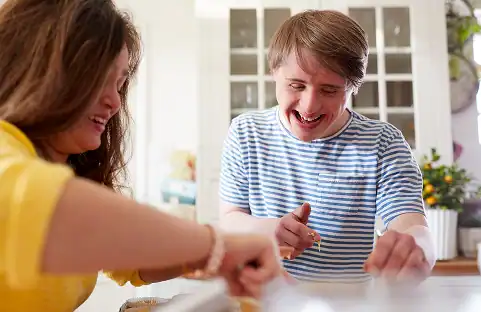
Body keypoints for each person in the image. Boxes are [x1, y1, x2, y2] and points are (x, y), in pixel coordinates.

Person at [0, 1, 290, 311]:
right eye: (100, 79)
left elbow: (129, 257)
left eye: (120, 83)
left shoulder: (70, 170)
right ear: (41, 69)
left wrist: (224, 257)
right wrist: (220, 246)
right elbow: (42, 202)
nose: (114, 101)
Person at [219, 10, 435, 284]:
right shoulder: (246, 133)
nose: (309, 106)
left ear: (352, 87)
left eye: (330, 90)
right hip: (265, 302)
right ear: (274, 72)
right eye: (296, 85)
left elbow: (413, 225)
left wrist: (418, 250)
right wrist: (268, 229)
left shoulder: (383, 143)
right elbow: (230, 218)